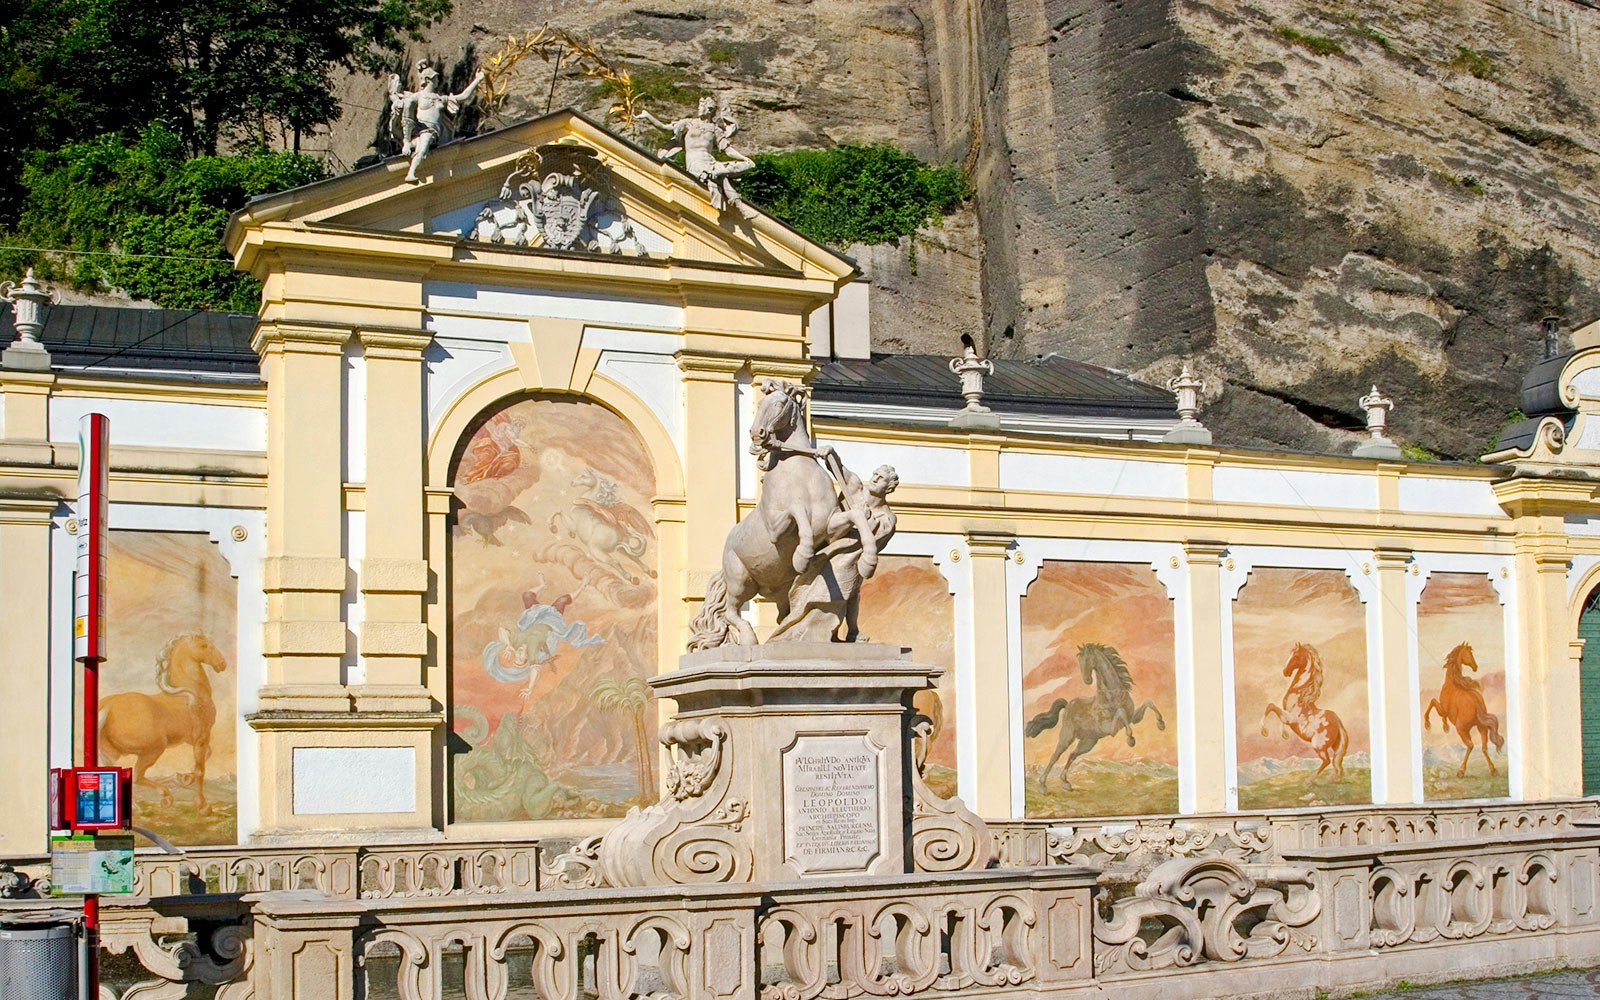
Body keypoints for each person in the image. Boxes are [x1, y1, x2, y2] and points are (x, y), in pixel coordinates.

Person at [638, 97, 756, 216]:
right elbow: (664, 128)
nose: (699, 109)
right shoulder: (688, 123)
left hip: (710, 161)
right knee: (722, 175)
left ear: (709, 110)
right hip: (695, 162)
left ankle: (736, 201)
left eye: (701, 106)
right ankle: (741, 207)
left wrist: (744, 158)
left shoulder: (715, 129)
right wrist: (648, 116)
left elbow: (728, 150)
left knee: (740, 167)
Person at [390, 61, 485, 183]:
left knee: (422, 145)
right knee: (422, 148)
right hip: (423, 129)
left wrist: (478, 79)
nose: (438, 81)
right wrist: (406, 140)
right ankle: (411, 173)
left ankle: (411, 165)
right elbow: (407, 109)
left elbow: (462, 97)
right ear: (429, 79)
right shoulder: (419, 96)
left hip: (435, 132)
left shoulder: (440, 98)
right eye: (436, 78)